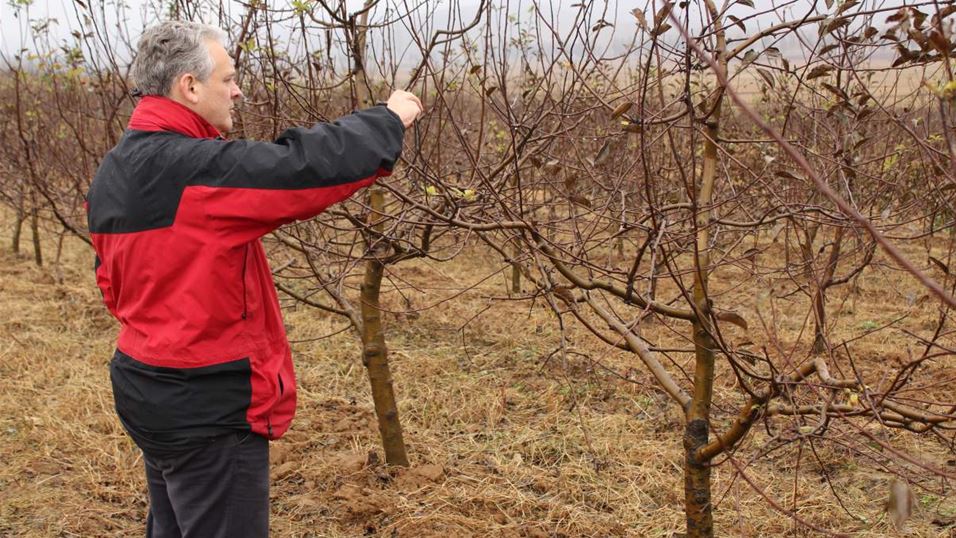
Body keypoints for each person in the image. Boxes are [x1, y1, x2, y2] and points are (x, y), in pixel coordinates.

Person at [85, 20, 422, 537]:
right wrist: (388, 120)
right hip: (208, 404)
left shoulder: (116, 167)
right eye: (228, 78)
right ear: (189, 86)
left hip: (147, 386)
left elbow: (111, 283)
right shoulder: (193, 168)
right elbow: (300, 169)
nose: (238, 89)